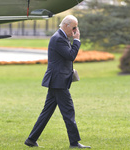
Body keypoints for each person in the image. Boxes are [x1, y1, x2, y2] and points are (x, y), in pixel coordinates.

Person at [24, 15, 91, 149]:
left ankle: (31, 140)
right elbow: (71, 56)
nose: (75, 30)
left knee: (47, 112)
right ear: (66, 25)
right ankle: (74, 143)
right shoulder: (58, 39)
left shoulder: (62, 37)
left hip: (57, 81)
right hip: (58, 82)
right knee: (68, 111)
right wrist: (77, 40)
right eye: (74, 27)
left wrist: (73, 39)